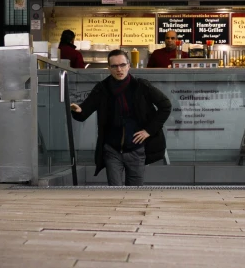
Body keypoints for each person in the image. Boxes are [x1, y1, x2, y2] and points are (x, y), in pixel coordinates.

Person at [70, 49, 171, 186]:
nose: (119, 69)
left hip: (136, 149)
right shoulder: (102, 88)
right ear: (108, 68)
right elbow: (83, 113)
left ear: (129, 65)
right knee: (115, 192)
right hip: (112, 150)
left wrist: (149, 130)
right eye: (114, 66)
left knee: (135, 194)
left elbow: (165, 106)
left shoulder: (141, 86)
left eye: (122, 65)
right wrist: (78, 110)